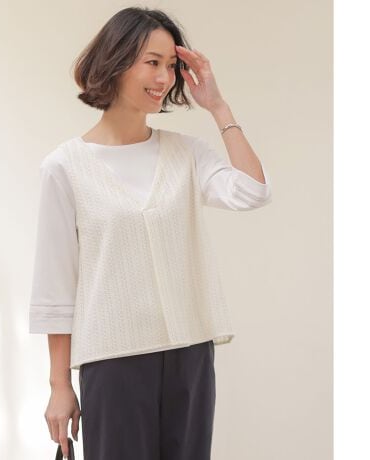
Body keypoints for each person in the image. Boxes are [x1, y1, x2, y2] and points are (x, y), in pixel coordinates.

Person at [29, 6, 272, 460]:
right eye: (152, 62)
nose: (164, 78)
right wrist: (59, 386)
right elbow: (56, 286)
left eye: (171, 65)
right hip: (113, 361)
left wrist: (218, 107)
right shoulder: (65, 167)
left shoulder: (186, 154)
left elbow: (253, 192)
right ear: (117, 62)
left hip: (190, 355)